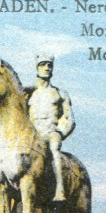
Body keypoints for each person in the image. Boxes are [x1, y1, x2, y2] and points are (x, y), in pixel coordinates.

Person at [25, 54, 75, 202]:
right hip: (32, 135)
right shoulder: (29, 94)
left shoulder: (60, 93)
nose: (47, 68)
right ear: (37, 68)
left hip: (51, 132)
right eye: (43, 64)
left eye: (49, 65)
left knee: (54, 151)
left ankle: (60, 190)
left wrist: (60, 132)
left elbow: (69, 119)